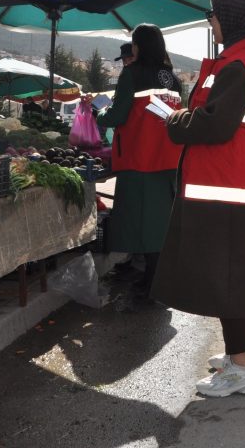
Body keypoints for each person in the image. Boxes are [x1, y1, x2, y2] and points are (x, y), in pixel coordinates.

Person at [152, 0, 245, 398]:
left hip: (232, 186)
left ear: (232, 21)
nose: (211, 22)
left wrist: (176, 119)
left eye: (214, 16)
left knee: (229, 277)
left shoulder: (238, 64)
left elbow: (215, 126)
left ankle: (242, 366)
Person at [92, 24, 183, 298]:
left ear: (138, 46)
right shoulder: (172, 78)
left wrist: (99, 115)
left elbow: (118, 115)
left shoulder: (132, 74)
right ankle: (156, 279)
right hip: (168, 157)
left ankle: (151, 284)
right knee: (159, 223)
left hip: (140, 158)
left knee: (143, 223)